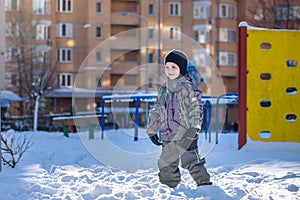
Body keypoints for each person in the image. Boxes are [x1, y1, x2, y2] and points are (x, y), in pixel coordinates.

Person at [146, 49, 212, 188]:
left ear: (181, 69)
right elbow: (157, 109)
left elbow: (196, 110)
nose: (170, 70)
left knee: (191, 162)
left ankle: (205, 185)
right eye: (167, 67)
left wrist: (193, 129)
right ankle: (169, 188)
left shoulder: (189, 89)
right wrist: (152, 129)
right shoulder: (164, 89)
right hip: (168, 134)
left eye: (174, 67)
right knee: (166, 164)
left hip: (186, 134)